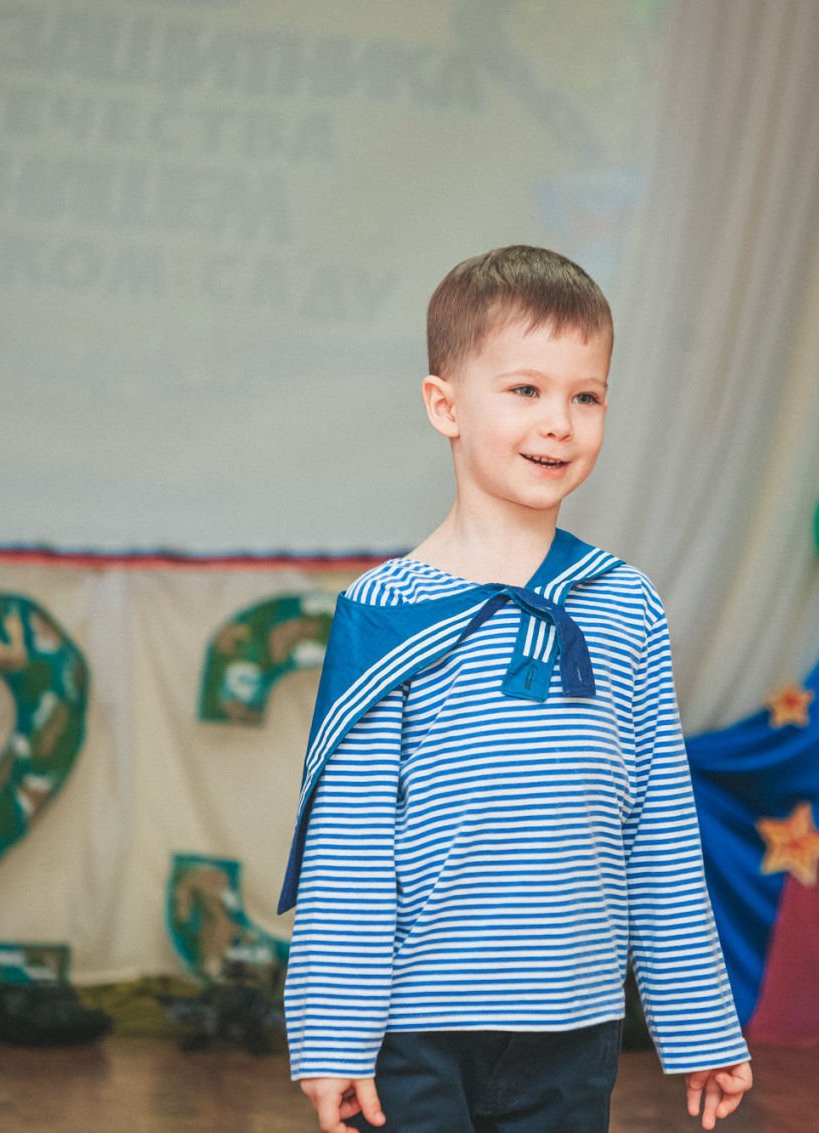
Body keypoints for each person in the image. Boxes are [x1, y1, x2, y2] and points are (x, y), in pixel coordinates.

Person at [279, 246, 752, 1133]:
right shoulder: (383, 609)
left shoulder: (627, 604)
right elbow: (351, 842)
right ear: (445, 406)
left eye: (586, 396)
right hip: (414, 1032)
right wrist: (334, 1035)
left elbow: (660, 827)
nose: (559, 423)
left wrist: (697, 1021)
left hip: (575, 1028)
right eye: (526, 390)